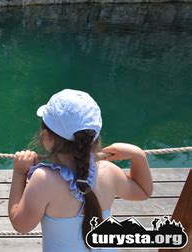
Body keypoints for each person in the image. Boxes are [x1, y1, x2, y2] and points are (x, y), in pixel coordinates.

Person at [8, 89, 153, 251]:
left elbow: (21, 225)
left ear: (46, 137)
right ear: (95, 138)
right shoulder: (109, 171)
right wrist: (138, 156)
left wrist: (20, 173)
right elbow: (143, 191)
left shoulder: (44, 180)